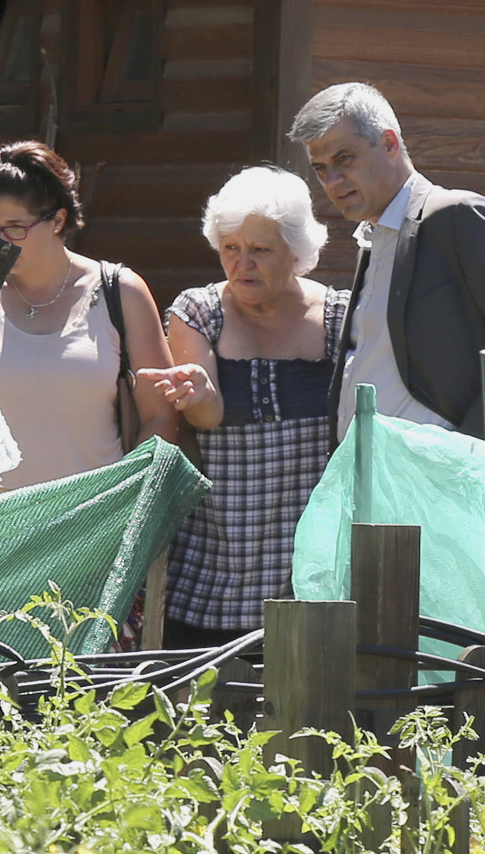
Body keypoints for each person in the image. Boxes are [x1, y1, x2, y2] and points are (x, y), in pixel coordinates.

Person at [135, 166, 351, 645]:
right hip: (216, 552)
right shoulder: (197, 310)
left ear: (297, 251)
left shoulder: (340, 316)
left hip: (306, 554)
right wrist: (200, 392)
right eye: (231, 248)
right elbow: (206, 416)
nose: (242, 263)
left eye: (260, 250)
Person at [287, 82, 485, 439]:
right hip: (379, 481)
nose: (331, 181)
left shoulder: (453, 214)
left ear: (390, 143)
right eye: (319, 168)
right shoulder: (374, 238)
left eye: (344, 158)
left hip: (444, 481)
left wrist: (477, 446)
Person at [0, 140, 176, 496]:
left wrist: (129, 501)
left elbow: (159, 415)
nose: (0, 241)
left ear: (58, 220)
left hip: (88, 521)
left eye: (15, 228)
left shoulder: (122, 292)